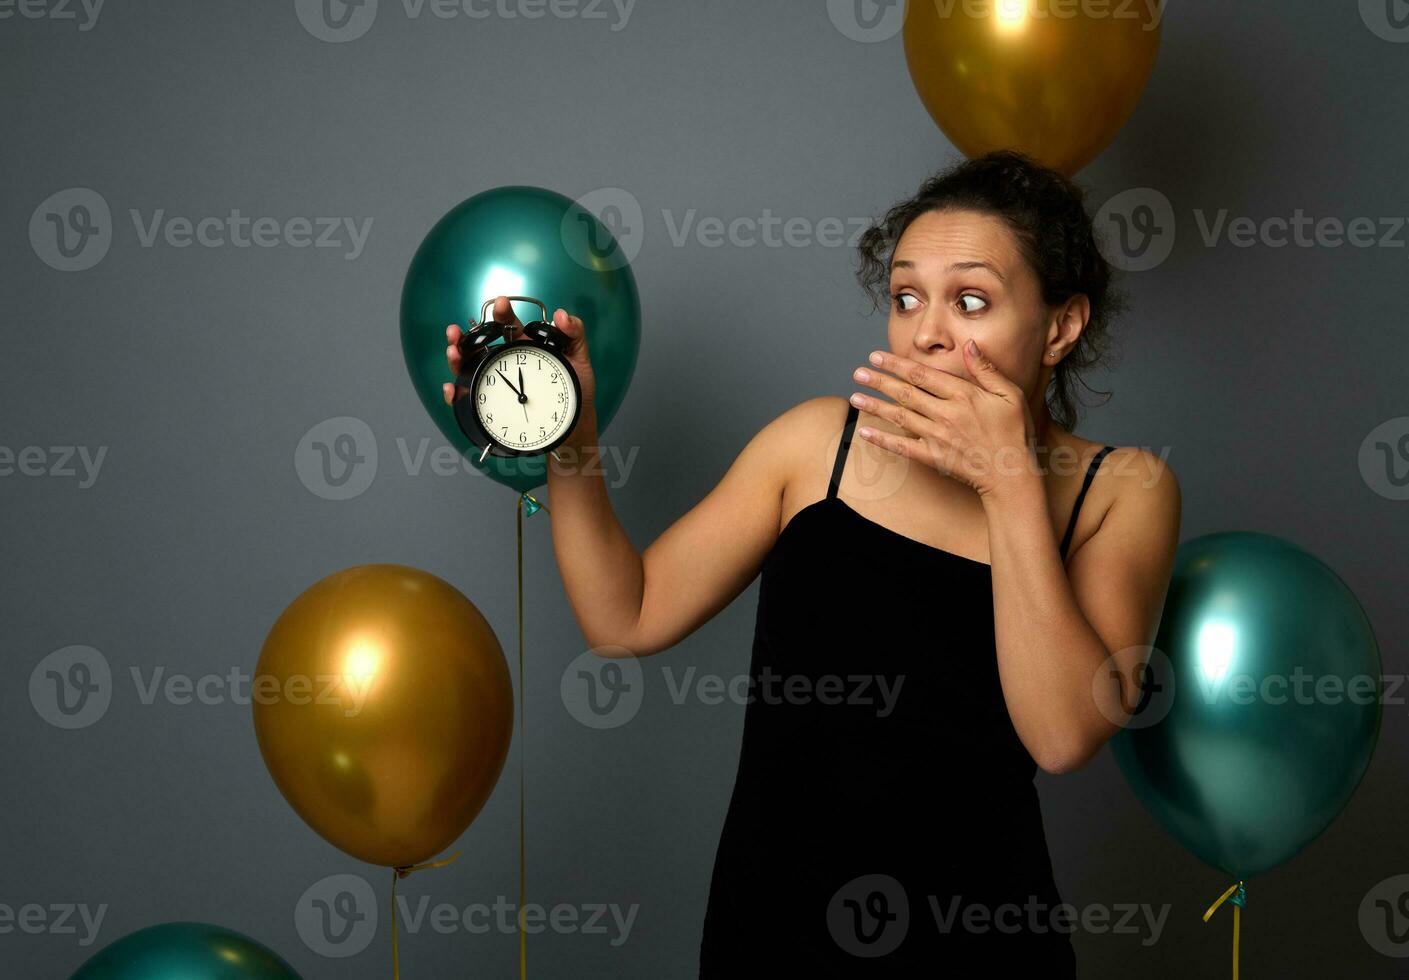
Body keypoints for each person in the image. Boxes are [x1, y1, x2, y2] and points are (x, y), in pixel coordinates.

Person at [440, 149, 1182, 976]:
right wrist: (568, 435)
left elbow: (1061, 735)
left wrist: (1007, 482)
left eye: (971, 301)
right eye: (906, 298)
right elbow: (627, 615)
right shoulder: (814, 443)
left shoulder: (1124, 490)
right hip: (772, 936)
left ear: (1060, 326)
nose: (927, 331)